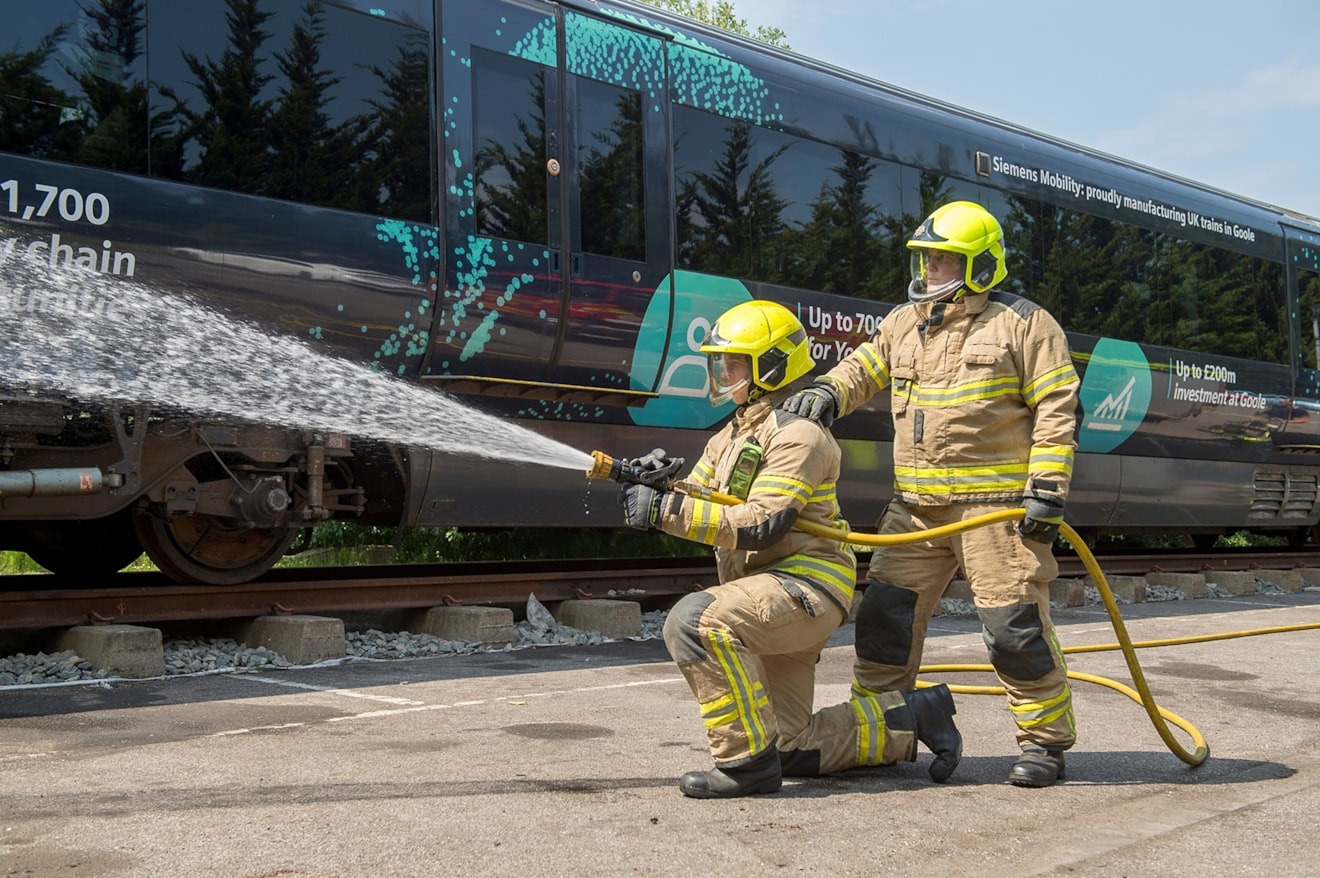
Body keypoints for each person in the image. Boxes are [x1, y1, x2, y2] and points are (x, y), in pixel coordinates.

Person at [781, 201, 1081, 788]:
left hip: (996, 515)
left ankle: (1044, 744)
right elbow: (861, 369)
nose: (932, 268)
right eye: (926, 257)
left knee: (1014, 631)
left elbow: (1057, 408)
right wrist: (825, 395)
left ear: (981, 265)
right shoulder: (903, 323)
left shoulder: (1024, 324)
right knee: (883, 625)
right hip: (916, 510)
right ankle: (882, 734)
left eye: (944, 258)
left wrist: (1047, 488)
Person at [618, 299, 962, 799]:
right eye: (721, 362)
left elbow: (762, 523)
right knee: (790, 745)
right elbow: (702, 495)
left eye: (733, 362)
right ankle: (910, 717)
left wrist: (664, 512)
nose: (722, 373)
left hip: (805, 589)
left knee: (694, 621)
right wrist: (658, 486)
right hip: (768, 592)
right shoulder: (734, 433)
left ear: (771, 367)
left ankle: (744, 764)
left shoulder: (800, 435)